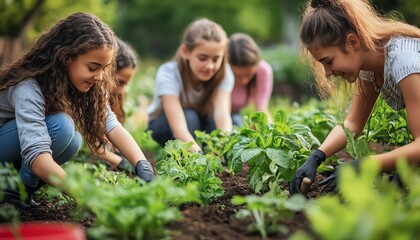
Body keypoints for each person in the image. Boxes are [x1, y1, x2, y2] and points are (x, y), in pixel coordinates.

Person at [0, 12, 155, 209]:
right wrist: (86, 194)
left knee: (73, 140)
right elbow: (38, 157)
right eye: (92, 67)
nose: (99, 77)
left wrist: (142, 165)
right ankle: (12, 193)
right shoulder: (28, 88)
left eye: (104, 68)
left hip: (11, 153)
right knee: (62, 126)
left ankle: (18, 192)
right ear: (66, 57)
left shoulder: (78, 84)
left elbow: (111, 125)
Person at [289, 0, 420, 195]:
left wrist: (364, 166)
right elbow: (352, 123)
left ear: (352, 42)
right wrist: (317, 156)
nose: (327, 73)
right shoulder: (370, 66)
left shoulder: (404, 60)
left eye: (329, 61)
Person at [147, 18, 234, 153]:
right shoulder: (168, 73)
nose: (210, 66)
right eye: (202, 58)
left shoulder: (225, 73)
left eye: (216, 59)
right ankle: (186, 154)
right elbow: (178, 128)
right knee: (190, 116)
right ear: (186, 52)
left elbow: (222, 114)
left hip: (200, 122)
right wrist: (199, 158)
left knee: (230, 121)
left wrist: (223, 147)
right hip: (166, 126)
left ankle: (212, 153)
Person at [100, 37, 138, 173]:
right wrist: (119, 162)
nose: (122, 91)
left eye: (126, 84)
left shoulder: (115, 100)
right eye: (119, 82)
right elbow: (91, 146)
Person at [228, 33, 274, 125]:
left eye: (249, 74)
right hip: (210, 113)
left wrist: (270, 131)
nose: (244, 81)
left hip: (233, 115)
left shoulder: (263, 70)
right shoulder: (221, 70)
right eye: (237, 76)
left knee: (236, 123)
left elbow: (261, 108)